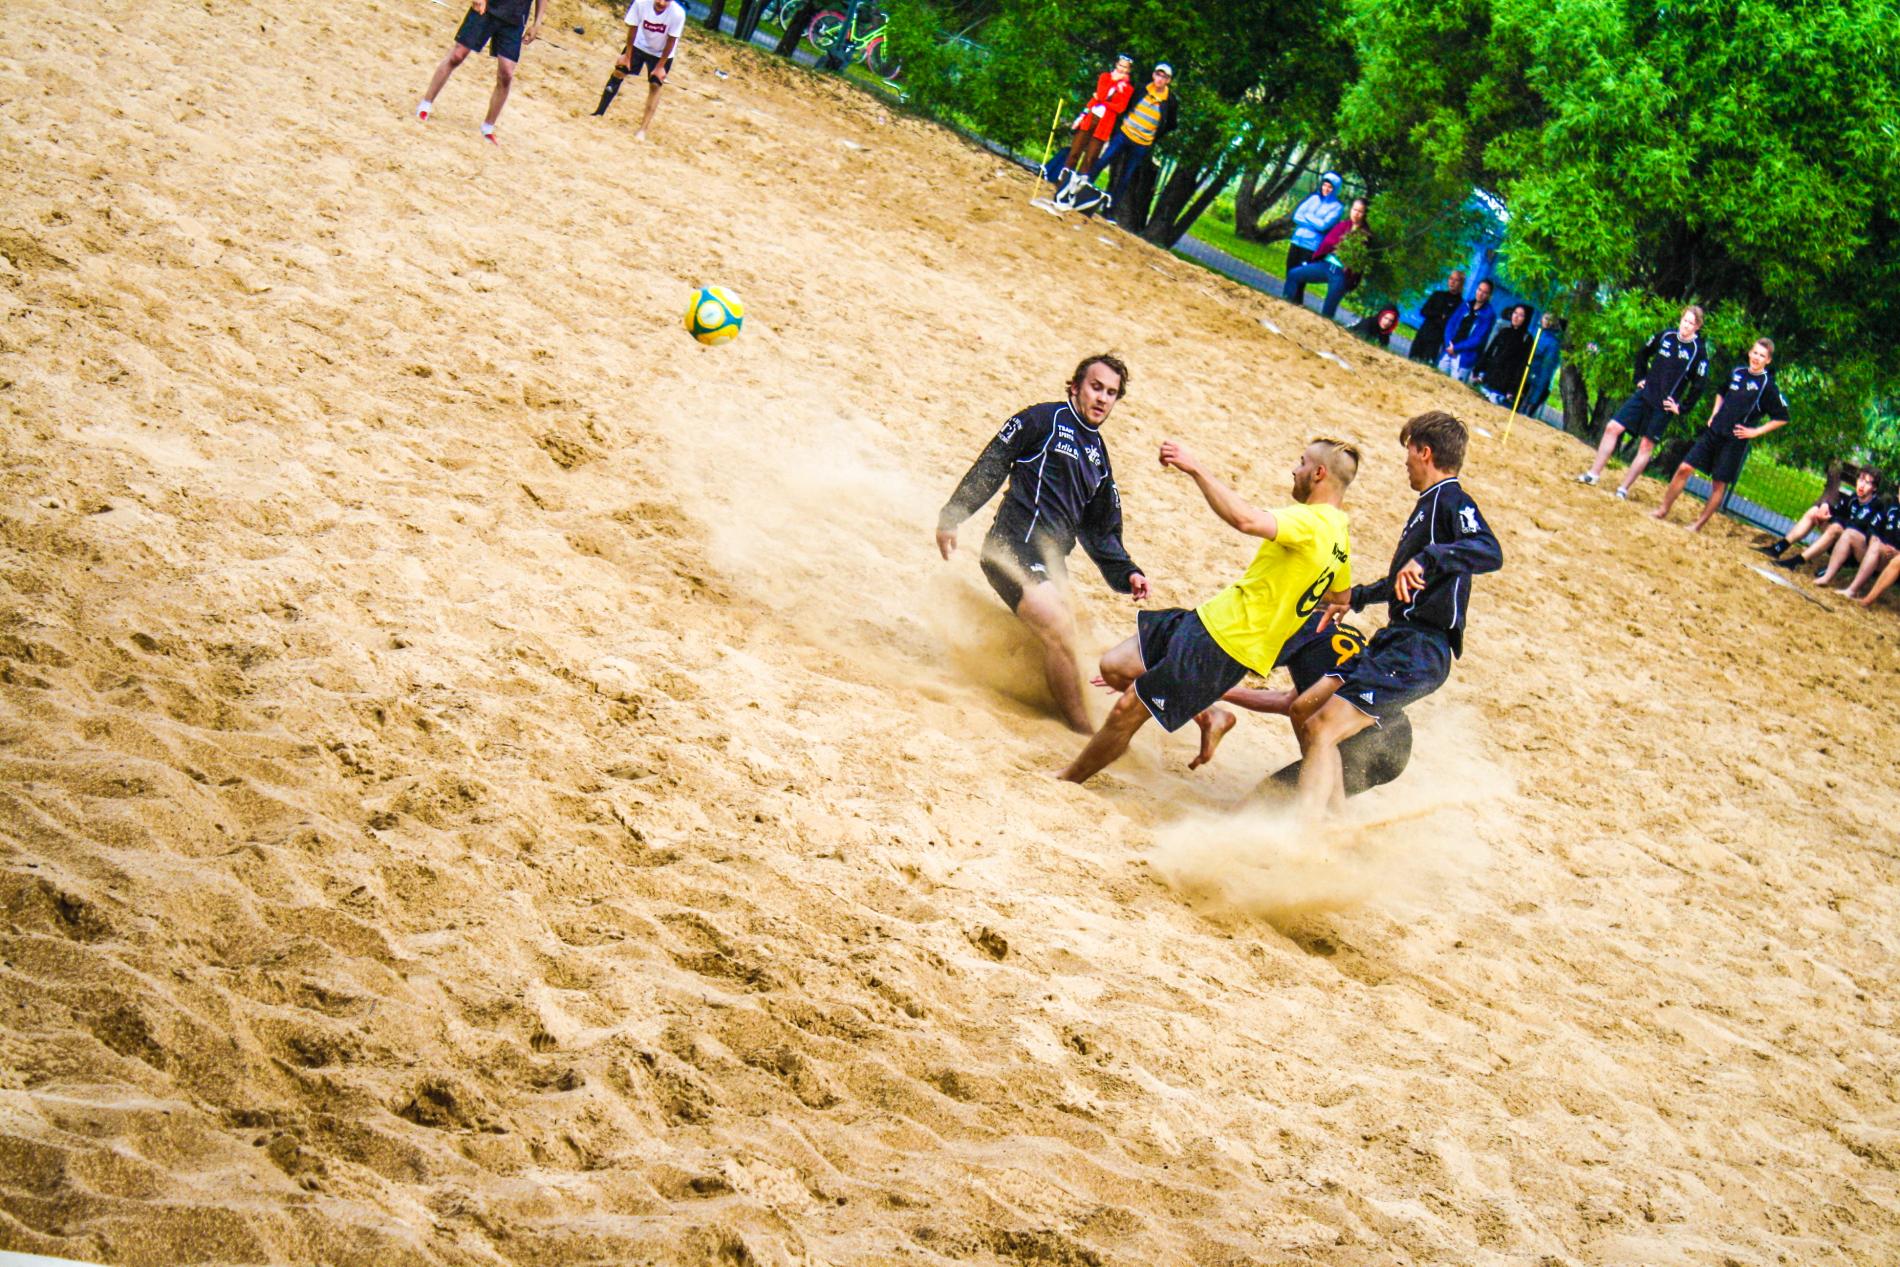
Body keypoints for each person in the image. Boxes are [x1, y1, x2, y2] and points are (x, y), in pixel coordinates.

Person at [1058, 438, 1359, 783]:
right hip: (1210, 619)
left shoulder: (1311, 521)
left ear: (1319, 473)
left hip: (1225, 642)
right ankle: (1211, 716)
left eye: (1302, 462)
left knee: (1128, 708)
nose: (1295, 469)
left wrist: (1196, 467)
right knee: (1115, 668)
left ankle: (1066, 781)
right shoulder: (1340, 533)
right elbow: (1342, 595)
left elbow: (1245, 520)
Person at [1289, 411, 1501, 821]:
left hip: (1421, 648)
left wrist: (1429, 557)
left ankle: (1307, 834)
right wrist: (1356, 598)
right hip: (1397, 639)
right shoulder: (1428, 507)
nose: (1404, 462)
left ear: (1425, 452)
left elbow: (1490, 550)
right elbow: (1403, 582)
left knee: (1322, 727)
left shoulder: (1451, 499)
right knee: (1305, 711)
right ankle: (1335, 821)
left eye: (1408, 452)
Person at [937, 356, 1148, 733]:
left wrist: (1128, 572)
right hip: (1010, 548)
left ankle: (1049, 703)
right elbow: (994, 462)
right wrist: (954, 513)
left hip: (1050, 567)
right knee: (1060, 628)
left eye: (1111, 393)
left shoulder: (1099, 460)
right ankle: (1081, 732)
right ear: (1075, 386)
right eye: (1096, 387)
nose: (1102, 398)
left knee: (1075, 639)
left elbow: (1101, 531)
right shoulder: (1042, 421)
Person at [1190, 610, 1414, 795]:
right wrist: (1222, 692)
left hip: (1371, 748)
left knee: (1268, 798)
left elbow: (1244, 660)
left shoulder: (1297, 633)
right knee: (1280, 795)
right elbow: (1287, 701)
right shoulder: (1331, 631)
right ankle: (1335, 823)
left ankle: (1331, 828)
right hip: (1395, 742)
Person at [1652, 337, 1790, 531]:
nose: (1757, 358)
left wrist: (1755, 431)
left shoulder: (1768, 386)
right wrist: (1715, 412)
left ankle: (1698, 525)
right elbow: (1721, 391)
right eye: (1755, 353)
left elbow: (1782, 417)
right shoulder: (1737, 372)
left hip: (1735, 439)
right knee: (1684, 468)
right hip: (1714, 431)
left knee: (1718, 484)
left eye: (1762, 355)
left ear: (1768, 360)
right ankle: (1662, 509)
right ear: (1750, 353)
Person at [1575, 306, 1710, 497]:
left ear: (1697, 326)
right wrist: (1640, 377)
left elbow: (1699, 384)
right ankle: (1593, 474)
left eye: (1691, 323)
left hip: (1663, 406)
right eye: (1684, 320)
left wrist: (1681, 407)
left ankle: (1623, 489)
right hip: (1645, 395)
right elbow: (1643, 353)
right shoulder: (1666, 336)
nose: (1686, 325)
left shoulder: (1699, 352)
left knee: (1646, 445)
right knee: (1612, 427)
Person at [416, 0, 545, 144]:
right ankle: (425, 104)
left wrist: (537, 23)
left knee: (506, 74)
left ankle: (488, 128)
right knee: (457, 55)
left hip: (514, 18)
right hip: (488, 8)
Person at [1075, 64, 1178, 211]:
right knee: (1103, 160)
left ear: (1168, 80)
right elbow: (1126, 105)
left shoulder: (1170, 101)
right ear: (1153, 75)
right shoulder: (1142, 89)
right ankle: (1080, 192)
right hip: (1124, 133)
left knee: (1126, 176)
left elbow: (1171, 124)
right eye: (1158, 75)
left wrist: (1155, 134)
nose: (1160, 79)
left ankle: (1110, 209)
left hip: (1142, 143)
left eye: (1164, 77)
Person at [1757, 468, 1884, 573]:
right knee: (1814, 512)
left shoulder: (1875, 505)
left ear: (1874, 488)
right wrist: (1825, 507)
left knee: (1836, 528)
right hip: (1838, 540)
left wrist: (1832, 518)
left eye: (1867, 482)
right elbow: (1837, 511)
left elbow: (1855, 526)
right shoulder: (1854, 498)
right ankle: (1778, 548)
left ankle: (1796, 562)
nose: (1862, 485)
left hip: (1854, 553)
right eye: (1861, 479)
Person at [594, 0, 686, 139]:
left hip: (661, 52)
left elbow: (671, 41)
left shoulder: (678, 13)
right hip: (639, 43)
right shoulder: (641, 2)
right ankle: (599, 113)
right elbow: (633, 29)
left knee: (655, 83)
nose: (661, 3)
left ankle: (643, 130)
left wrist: (660, 67)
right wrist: (627, 56)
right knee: (620, 70)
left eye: (666, 0)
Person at [1049, 56, 1133, 190]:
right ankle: (1061, 183)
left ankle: (1073, 189)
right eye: (1120, 65)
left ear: (1129, 70)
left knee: (1090, 158)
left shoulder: (1128, 89)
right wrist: (1113, 83)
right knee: (1075, 151)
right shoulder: (1105, 77)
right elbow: (1101, 93)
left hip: (1104, 124)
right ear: (1116, 65)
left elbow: (1120, 108)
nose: (1121, 69)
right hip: (1091, 117)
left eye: (1125, 67)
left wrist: (1103, 102)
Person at [1281, 198, 1369, 319]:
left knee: (1328, 312)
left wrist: (1350, 272)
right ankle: (1284, 305)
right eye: (1354, 209)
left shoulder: (1365, 235)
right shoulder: (1342, 225)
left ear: (1364, 214)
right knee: (1294, 274)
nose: (1356, 213)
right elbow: (1328, 243)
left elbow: (1359, 262)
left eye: (1360, 211)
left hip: (1341, 273)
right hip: (1325, 265)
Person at [1285, 172, 1345, 295]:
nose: (1326, 189)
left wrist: (1307, 216)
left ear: (1335, 189)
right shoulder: (1313, 199)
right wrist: (1313, 221)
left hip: (1311, 246)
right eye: (1324, 185)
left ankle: (1295, 302)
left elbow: (1323, 226)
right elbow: (1296, 216)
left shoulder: (1337, 207)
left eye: (1330, 187)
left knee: (1301, 276)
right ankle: (1285, 297)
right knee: (1289, 271)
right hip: (1297, 240)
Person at [1829, 496, 1900, 598]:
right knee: (1850, 533)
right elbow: (1873, 526)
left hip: (1896, 562)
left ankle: (1853, 591)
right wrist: (1873, 537)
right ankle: (1827, 576)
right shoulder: (1891, 510)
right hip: (1880, 553)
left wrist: (1897, 554)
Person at [1476, 304, 1536, 407]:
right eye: (1515, 313)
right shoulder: (1504, 331)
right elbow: (1490, 351)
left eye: (1521, 315)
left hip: (1504, 385)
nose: (1516, 317)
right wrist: (1479, 370)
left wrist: (1513, 389)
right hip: (1490, 378)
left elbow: (1522, 366)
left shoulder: (1527, 339)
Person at [1436, 280, 1496, 383]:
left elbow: (1478, 339)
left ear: (1489, 295)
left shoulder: (1488, 315)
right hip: (1449, 350)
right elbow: (1451, 324)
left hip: (1463, 357)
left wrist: (1456, 348)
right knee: (1436, 380)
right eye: (1479, 290)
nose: (1480, 294)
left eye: (1484, 292)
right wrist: (1449, 343)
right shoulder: (1466, 305)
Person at [1409, 270, 1466, 365]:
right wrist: (1439, 315)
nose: (1452, 282)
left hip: (1437, 340)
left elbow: (1450, 323)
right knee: (1411, 360)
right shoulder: (1438, 295)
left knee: (1426, 365)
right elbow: (1424, 311)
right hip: (1424, 333)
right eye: (1451, 279)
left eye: (1456, 280)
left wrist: (1438, 317)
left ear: (1461, 284)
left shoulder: (1460, 305)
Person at [1520, 312, 1564, 415]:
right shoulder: (1532, 331)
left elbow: (1547, 369)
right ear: (1541, 318)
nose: (1548, 322)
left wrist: (1535, 396)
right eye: (1546, 318)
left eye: (1551, 320)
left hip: (1534, 382)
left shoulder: (1553, 342)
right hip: (1522, 375)